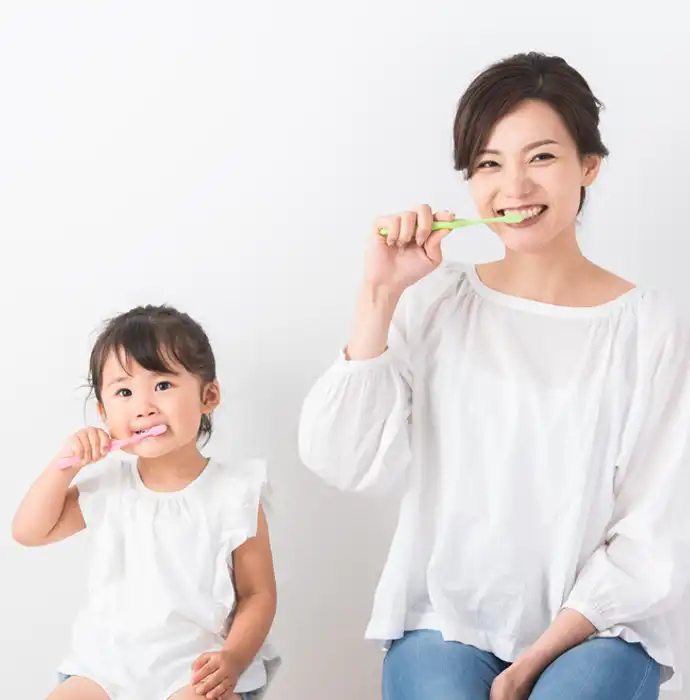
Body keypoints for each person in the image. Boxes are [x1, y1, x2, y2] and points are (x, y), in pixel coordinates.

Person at [298, 52, 690, 700]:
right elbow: (342, 461)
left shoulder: (649, 326)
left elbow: (653, 532)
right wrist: (380, 294)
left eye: (541, 157)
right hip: (445, 621)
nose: (514, 186)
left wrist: (536, 660)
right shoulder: (436, 301)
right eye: (488, 164)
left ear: (589, 165)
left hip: (600, 626)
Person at [12, 305, 280, 700]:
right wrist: (64, 465)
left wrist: (233, 659)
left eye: (163, 385)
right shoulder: (108, 488)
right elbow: (28, 532)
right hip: (104, 668)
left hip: (193, 669)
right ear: (104, 413)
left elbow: (257, 594)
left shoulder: (235, 493)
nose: (144, 406)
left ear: (208, 396)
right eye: (124, 392)